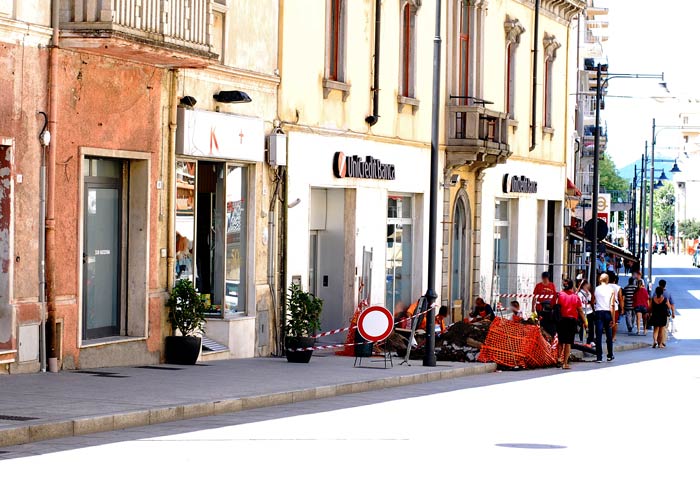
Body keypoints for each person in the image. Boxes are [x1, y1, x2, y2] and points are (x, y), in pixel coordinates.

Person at [557, 279, 586, 369]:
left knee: (561, 341)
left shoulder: (560, 295)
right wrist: (585, 321)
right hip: (571, 320)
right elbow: (580, 310)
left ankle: (558, 358)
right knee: (568, 343)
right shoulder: (575, 297)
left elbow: (555, 305)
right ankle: (565, 363)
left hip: (561, 320)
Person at [592, 273, 615, 363]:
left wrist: (595, 309)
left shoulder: (596, 289)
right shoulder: (611, 290)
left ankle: (599, 357)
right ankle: (610, 355)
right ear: (608, 280)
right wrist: (613, 319)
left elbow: (593, 301)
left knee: (598, 335)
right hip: (607, 313)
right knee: (609, 335)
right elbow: (612, 305)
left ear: (600, 280)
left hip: (598, 312)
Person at [533, 272, 557, 338]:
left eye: (546, 278)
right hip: (540, 308)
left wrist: (554, 307)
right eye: (544, 278)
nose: (545, 280)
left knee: (548, 324)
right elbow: (534, 297)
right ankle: (543, 337)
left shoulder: (551, 285)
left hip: (549, 309)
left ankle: (548, 337)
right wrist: (533, 308)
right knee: (542, 324)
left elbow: (555, 296)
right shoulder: (539, 286)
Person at [658, 279, 676, 344]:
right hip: (665, 312)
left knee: (657, 327)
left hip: (657, 312)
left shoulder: (655, 292)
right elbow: (672, 304)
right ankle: (663, 341)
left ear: (659, 284)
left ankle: (658, 340)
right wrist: (673, 312)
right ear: (665, 285)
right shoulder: (668, 293)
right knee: (665, 327)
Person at [608, 272, 623, 342]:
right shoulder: (618, 288)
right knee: (615, 322)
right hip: (615, 307)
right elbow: (620, 299)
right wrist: (622, 308)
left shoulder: (605, 286)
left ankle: (608, 336)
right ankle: (613, 337)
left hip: (606, 306)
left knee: (607, 322)